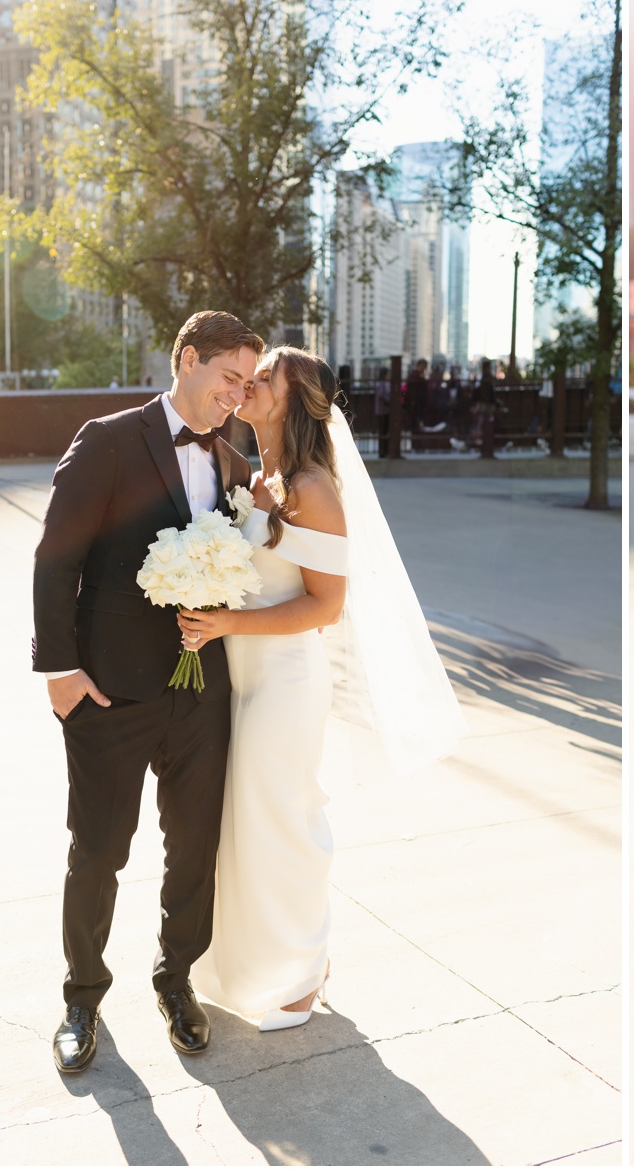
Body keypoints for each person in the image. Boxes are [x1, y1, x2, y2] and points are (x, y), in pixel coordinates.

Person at [179, 348, 465, 1031]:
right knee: (244, 824)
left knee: (283, 822)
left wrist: (225, 622)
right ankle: (261, 962)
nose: (251, 382)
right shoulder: (260, 482)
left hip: (284, 683)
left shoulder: (314, 488)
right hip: (241, 675)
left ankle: (303, 971)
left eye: (267, 375)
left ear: (296, 398)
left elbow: (324, 607)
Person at [33, 310, 263, 1073]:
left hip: (201, 694)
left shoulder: (237, 457)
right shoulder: (107, 439)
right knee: (99, 850)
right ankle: (80, 997)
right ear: (187, 359)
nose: (238, 394)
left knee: (193, 847)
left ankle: (176, 980)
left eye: (247, 383)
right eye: (229, 377)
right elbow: (54, 558)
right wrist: (61, 671)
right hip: (109, 692)